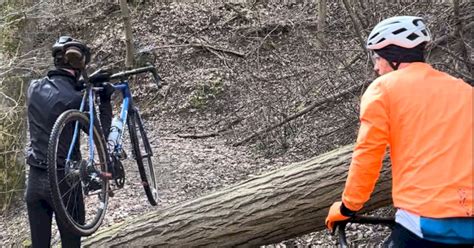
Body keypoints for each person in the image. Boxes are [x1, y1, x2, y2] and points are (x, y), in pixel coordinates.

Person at [325, 16, 473, 247]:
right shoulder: (465, 91)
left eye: (376, 56)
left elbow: (368, 155)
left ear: (393, 58)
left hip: (421, 222)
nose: (375, 66)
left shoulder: (383, 89)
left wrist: (348, 207)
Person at [25, 36, 114, 247]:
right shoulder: (78, 99)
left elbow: (54, 95)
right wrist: (105, 101)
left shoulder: (33, 88)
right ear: (78, 65)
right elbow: (99, 137)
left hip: (35, 181)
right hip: (65, 181)